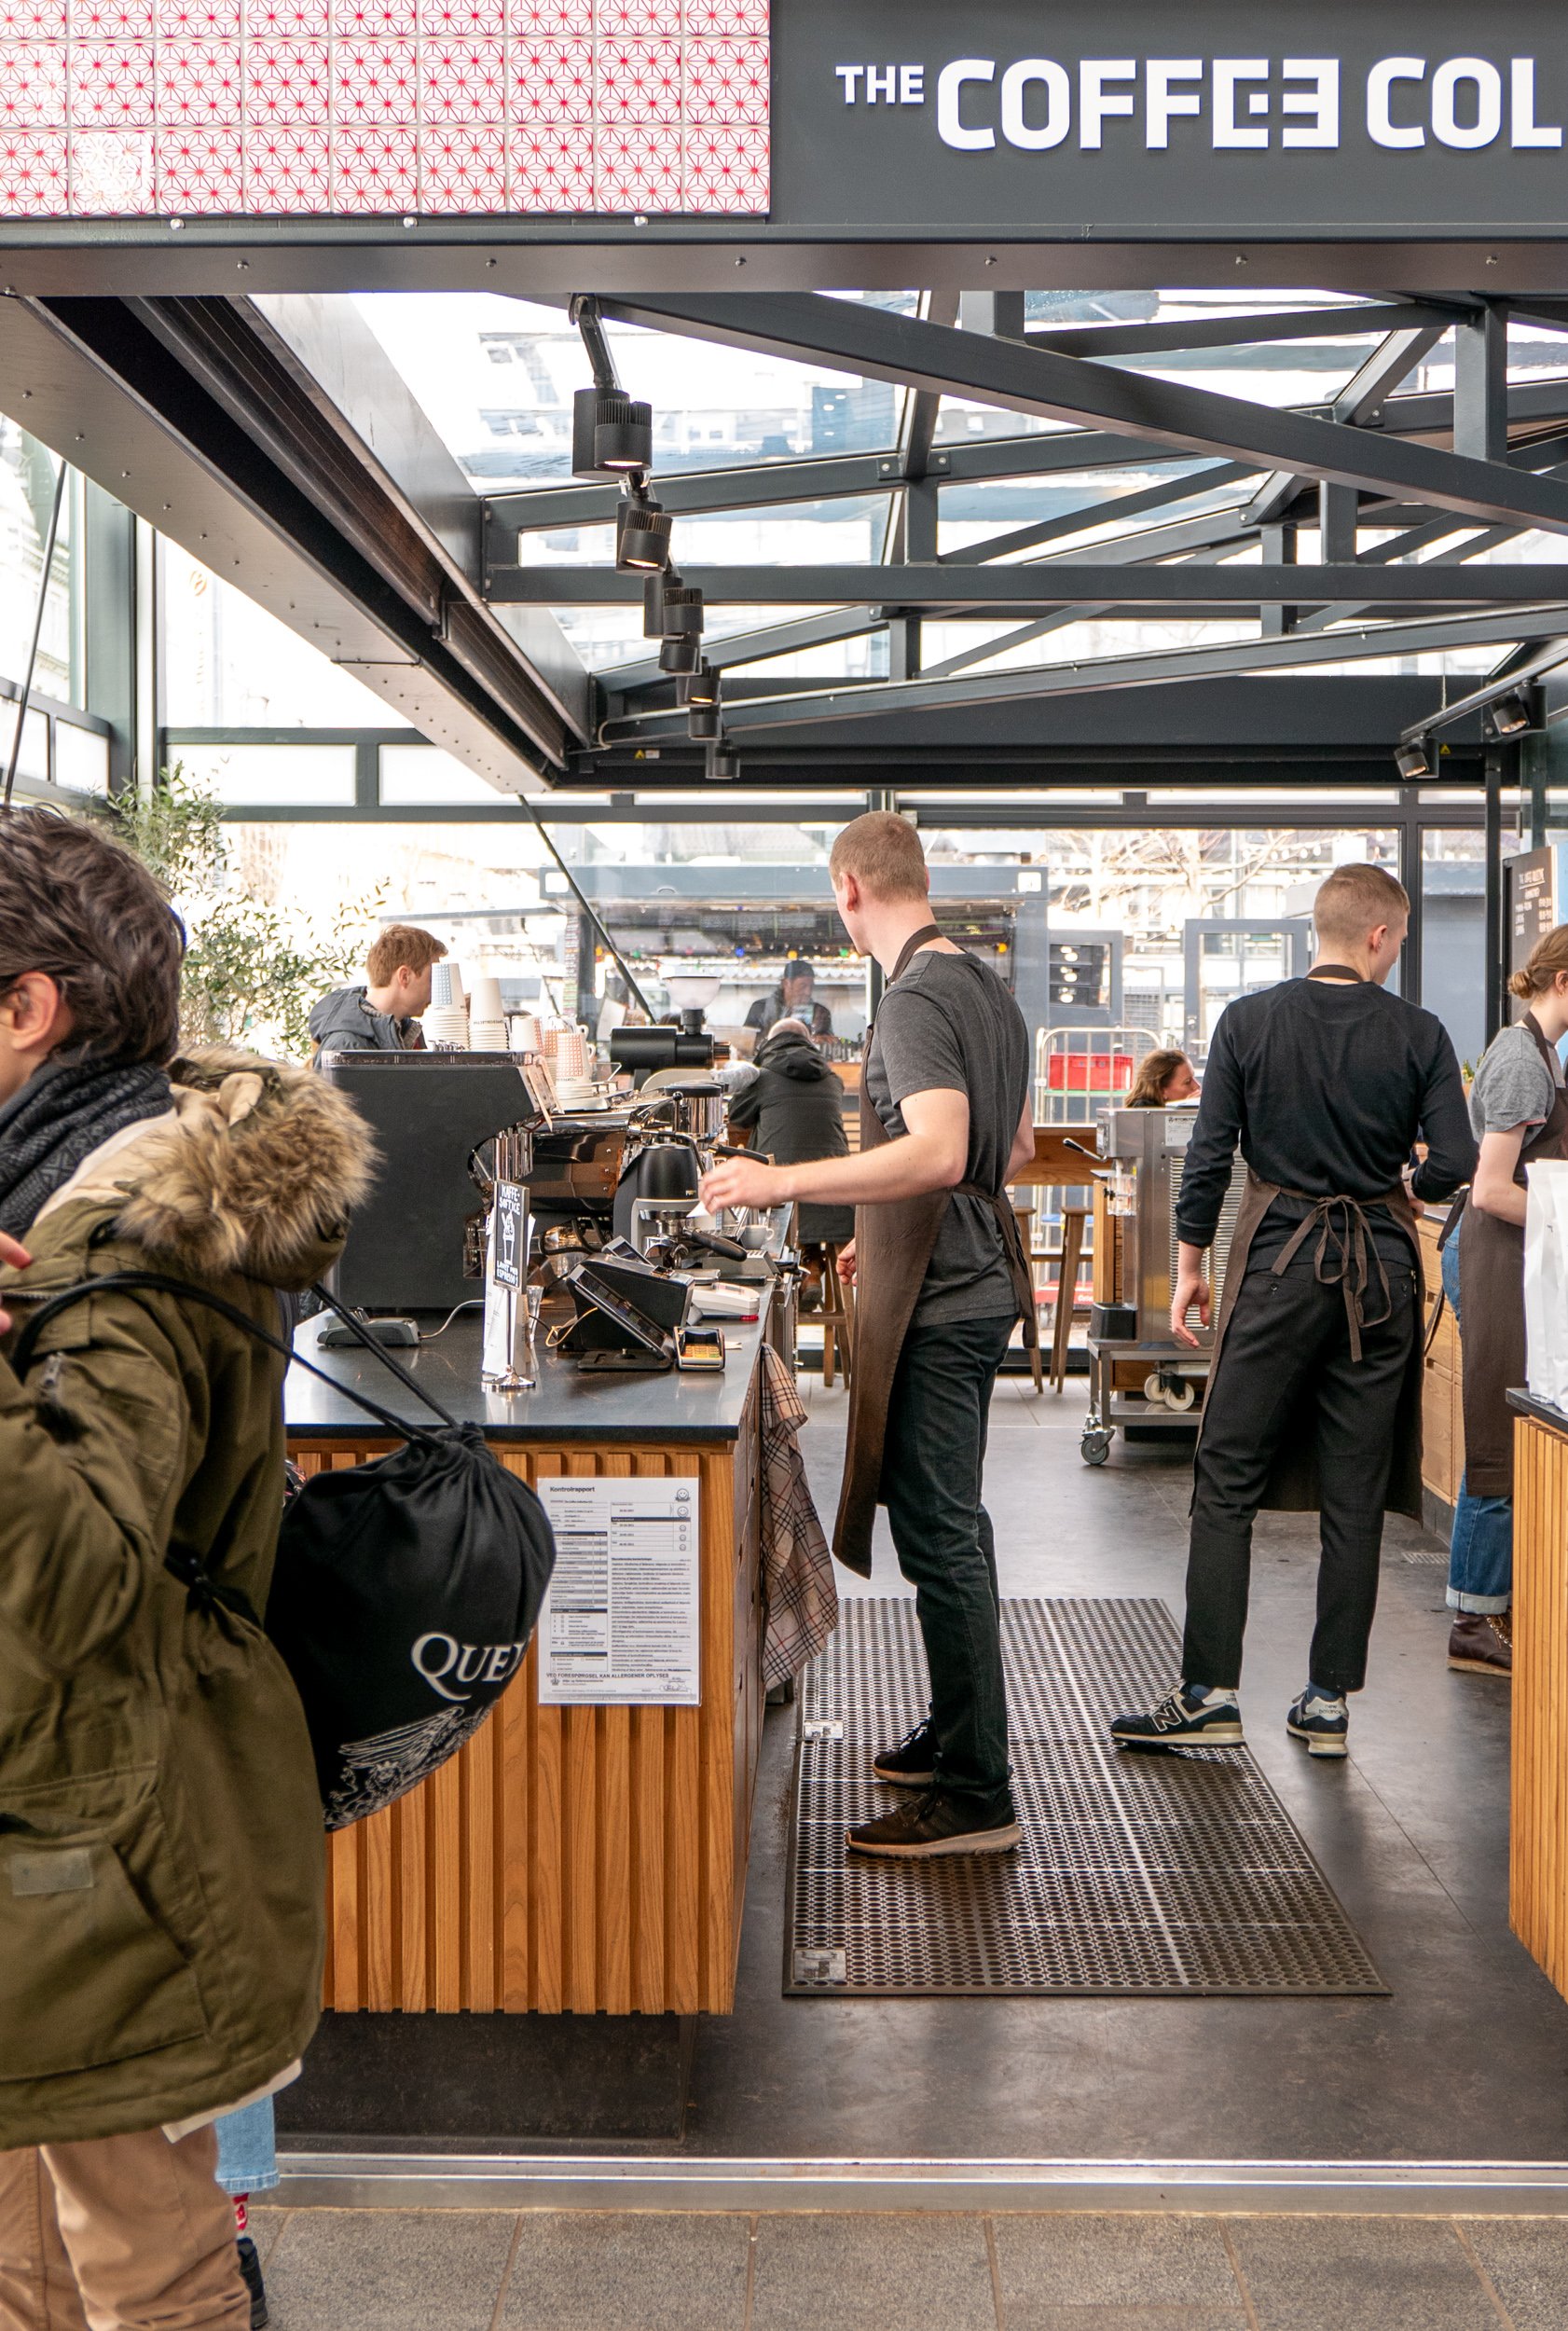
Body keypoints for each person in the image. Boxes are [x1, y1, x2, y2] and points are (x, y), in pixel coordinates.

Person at [0, 807, 371, 2331]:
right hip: (65, 1821)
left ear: (30, 1007)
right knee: (30, 2252)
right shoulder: (81, 1180)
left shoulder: (114, 1229)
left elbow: (77, 1569)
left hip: (101, 1831)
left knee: (138, 2266)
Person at [702, 812, 1036, 1859]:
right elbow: (1006, 1147)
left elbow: (938, 1151)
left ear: (850, 889)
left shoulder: (913, 997)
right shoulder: (983, 988)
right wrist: (884, 1232)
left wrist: (780, 1180)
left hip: (948, 1296)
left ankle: (977, 1793)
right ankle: (955, 1734)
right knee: (950, 1527)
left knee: (942, 1536)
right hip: (972, 1273)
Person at [1109, 862, 1476, 1761]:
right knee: (1354, 1495)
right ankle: (1326, 1704)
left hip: (1277, 1261)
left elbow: (1209, 1156)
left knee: (1225, 1475)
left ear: (1323, 930)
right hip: (1384, 1270)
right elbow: (1456, 1159)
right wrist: (1402, 1186)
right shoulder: (1419, 1032)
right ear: (1382, 936)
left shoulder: (1249, 1022)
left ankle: (1209, 1693)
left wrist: (1189, 1267)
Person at [1442, 925, 1568, 1679]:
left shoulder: (1539, 1052)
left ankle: (1488, 1601)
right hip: (1493, 1256)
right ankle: (1474, 1619)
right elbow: (1492, 1190)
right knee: (1499, 1430)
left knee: (1513, 1424)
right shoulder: (1523, 1061)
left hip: (1516, 1260)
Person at [726, 1015, 853, 1307]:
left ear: (769, 1044)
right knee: (807, 1197)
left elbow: (737, 1115)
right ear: (809, 1044)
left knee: (786, 1187)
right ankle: (813, 1268)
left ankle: (787, 1288)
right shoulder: (832, 1079)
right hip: (839, 1199)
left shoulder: (763, 1076)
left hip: (779, 1202)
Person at [308, 921, 447, 1055]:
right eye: (431, 978)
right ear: (404, 977)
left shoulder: (407, 1034)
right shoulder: (345, 1046)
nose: (435, 991)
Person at [744, 956, 833, 1040]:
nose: (808, 992)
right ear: (786, 984)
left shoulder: (820, 1013)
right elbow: (747, 1042)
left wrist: (822, 1039)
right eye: (802, 986)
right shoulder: (760, 1009)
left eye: (811, 987)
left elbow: (827, 1044)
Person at [1126, 1048, 1201, 1107]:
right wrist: (1186, 1109)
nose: (1197, 1085)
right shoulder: (1143, 1119)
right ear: (1162, 1091)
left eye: (1193, 1077)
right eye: (1187, 1082)